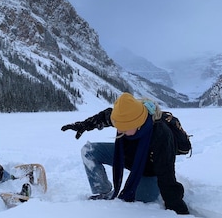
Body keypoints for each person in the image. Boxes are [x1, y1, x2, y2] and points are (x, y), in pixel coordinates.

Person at [61, 92, 189, 215]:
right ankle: (103, 192)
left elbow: (166, 175)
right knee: (89, 151)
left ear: (137, 123)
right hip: (129, 157)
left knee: (137, 203)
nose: (120, 130)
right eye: (118, 126)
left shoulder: (161, 135)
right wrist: (83, 125)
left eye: (125, 127)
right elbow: (105, 116)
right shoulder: (123, 116)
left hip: (150, 170)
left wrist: (177, 208)